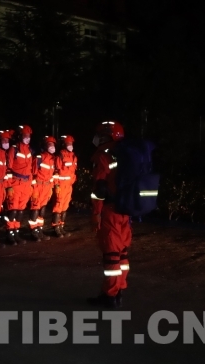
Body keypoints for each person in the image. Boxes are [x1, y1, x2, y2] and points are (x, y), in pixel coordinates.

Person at [89, 121, 129, 308]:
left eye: (101, 135)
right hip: (124, 210)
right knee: (122, 254)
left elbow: (99, 188)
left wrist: (96, 213)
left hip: (110, 211)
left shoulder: (104, 155)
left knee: (111, 254)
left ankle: (110, 295)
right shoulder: (124, 154)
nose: (98, 139)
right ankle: (119, 290)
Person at [4, 125, 34, 245]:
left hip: (26, 184)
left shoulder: (29, 149)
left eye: (29, 135)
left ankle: (16, 232)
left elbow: (30, 168)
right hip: (15, 183)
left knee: (21, 210)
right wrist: (9, 186)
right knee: (13, 209)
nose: (27, 137)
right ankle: (9, 233)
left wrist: (31, 184)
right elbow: (8, 169)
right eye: (25, 135)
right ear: (20, 136)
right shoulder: (14, 149)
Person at [28, 136, 57, 242]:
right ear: (45, 146)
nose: (52, 147)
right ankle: (33, 231)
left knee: (43, 209)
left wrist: (51, 187)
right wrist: (34, 189)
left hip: (47, 187)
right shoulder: (39, 158)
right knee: (35, 208)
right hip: (38, 186)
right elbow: (32, 174)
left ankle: (40, 230)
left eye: (53, 145)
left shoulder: (52, 159)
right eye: (49, 144)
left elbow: (52, 175)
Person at [53, 135, 77, 237]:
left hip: (69, 186)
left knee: (65, 207)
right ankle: (56, 228)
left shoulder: (73, 156)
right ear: (64, 144)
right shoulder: (60, 155)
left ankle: (61, 227)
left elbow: (73, 171)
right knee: (58, 207)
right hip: (61, 185)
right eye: (68, 143)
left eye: (71, 143)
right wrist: (56, 185)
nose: (70, 145)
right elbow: (56, 171)